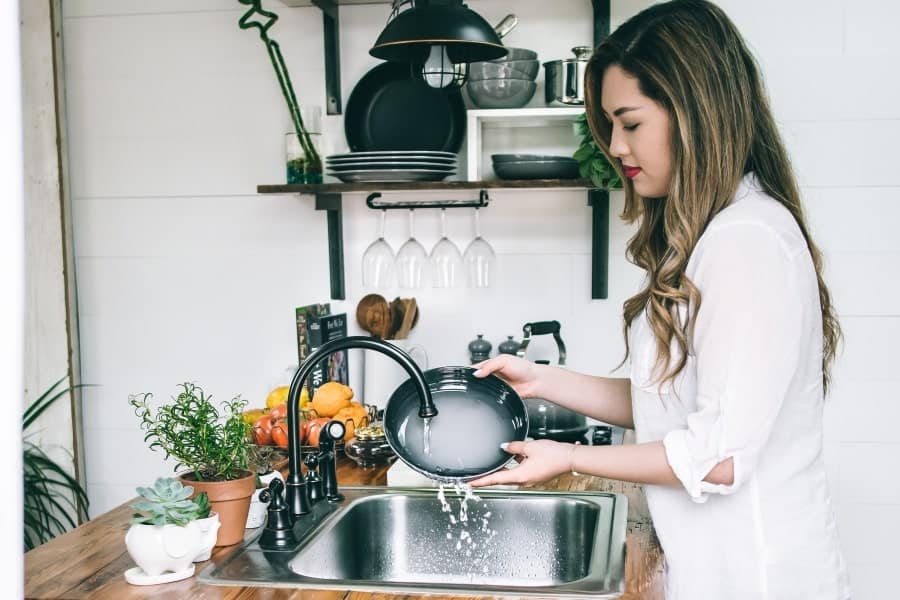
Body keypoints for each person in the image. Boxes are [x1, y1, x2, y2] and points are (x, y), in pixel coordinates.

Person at [469, 1, 850, 598]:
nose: (617, 146)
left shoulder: (744, 242)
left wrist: (567, 457)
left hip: (757, 577)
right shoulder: (713, 234)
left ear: (694, 113)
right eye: (610, 125)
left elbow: (716, 459)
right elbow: (670, 405)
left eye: (631, 122)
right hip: (719, 568)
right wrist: (542, 380)